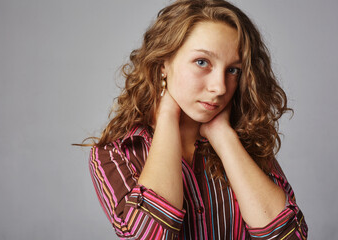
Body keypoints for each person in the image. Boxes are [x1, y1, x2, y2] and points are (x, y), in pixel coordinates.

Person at [87, 0, 308, 239]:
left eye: (233, 70)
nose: (220, 87)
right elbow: (147, 235)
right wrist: (167, 116)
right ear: (163, 62)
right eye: (202, 62)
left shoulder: (247, 143)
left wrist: (222, 136)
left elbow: (291, 237)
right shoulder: (116, 154)